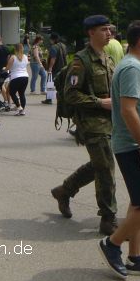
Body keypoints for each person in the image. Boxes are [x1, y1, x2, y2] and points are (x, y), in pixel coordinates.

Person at [98, 20, 140, 279]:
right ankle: (112, 244)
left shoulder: (138, 66)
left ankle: (136, 257)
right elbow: (127, 109)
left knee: (139, 204)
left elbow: (139, 107)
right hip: (134, 146)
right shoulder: (131, 68)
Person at [51, 15, 117, 235]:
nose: (109, 33)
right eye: (103, 30)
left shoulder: (107, 58)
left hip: (109, 122)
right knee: (106, 168)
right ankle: (108, 218)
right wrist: (99, 102)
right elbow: (71, 95)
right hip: (91, 123)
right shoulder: (81, 61)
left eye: (109, 29)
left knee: (100, 164)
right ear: (91, 33)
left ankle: (65, 190)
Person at [42, 33, 67, 105]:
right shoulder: (63, 46)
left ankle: (49, 99)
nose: (50, 41)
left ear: (53, 39)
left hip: (55, 69)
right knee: (62, 84)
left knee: (50, 83)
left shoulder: (54, 47)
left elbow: (53, 58)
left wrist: (50, 68)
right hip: (64, 67)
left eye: (50, 39)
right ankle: (63, 99)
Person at [6, 43, 30, 116]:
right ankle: (22, 110)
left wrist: (4, 69)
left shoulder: (13, 57)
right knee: (21, 93)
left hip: (16, 77)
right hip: (25, 76)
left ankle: (19, 107)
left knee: (12, 93)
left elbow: (8, 68)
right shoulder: (25, 57)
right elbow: (26, 64)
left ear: (15, 49)